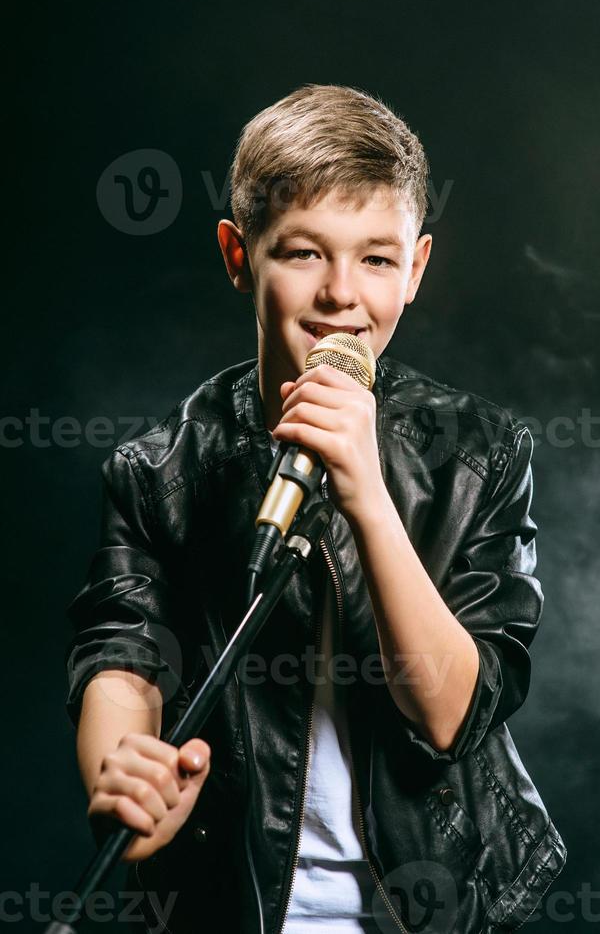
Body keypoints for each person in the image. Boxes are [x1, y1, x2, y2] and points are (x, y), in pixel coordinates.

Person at [64, 83, 567, 934]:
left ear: (415, 270)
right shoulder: (159, 469)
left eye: (376, 259)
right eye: (302, 253)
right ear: (238, 255)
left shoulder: (482, 452)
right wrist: (124, 766)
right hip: (232, 904)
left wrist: (366, 492)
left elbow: (452, 714)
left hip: (437, 908)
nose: (341, 294)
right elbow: (124, 653)